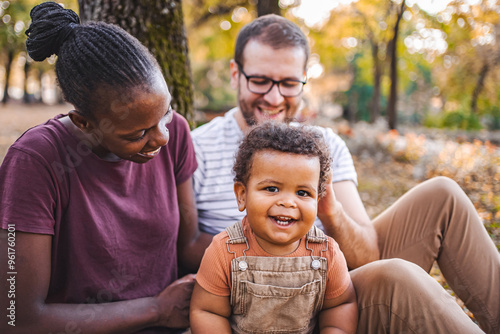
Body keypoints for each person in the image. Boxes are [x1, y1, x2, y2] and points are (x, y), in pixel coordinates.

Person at [191, 14, 500, 333]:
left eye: (288, 83)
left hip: (333, 298)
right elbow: (179, 252)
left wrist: (328, 207)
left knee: (443, 195)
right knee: (399, 275)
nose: (273, 97)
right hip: (251, 308)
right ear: (235, 74)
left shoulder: (324, 146)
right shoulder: (196, 149)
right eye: (260, 80)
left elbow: (368, 254)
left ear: (304, 80)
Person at [0, 2, 211, 333]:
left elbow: (189, 244)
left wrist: (267, 249)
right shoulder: (35, 161)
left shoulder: (178, 132)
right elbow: (16, 318)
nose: (162, 138)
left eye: (165, 114)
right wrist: (156, 309)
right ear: (84, 123)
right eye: (138, 134)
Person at [190, 122, 357, 334]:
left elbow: (340, 305)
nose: (288, 202)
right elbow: (207, 312)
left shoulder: (326, 252)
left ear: (318, 199)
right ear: (242, 195)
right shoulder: (225, 251)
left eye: (303, 193)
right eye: (272, 188)